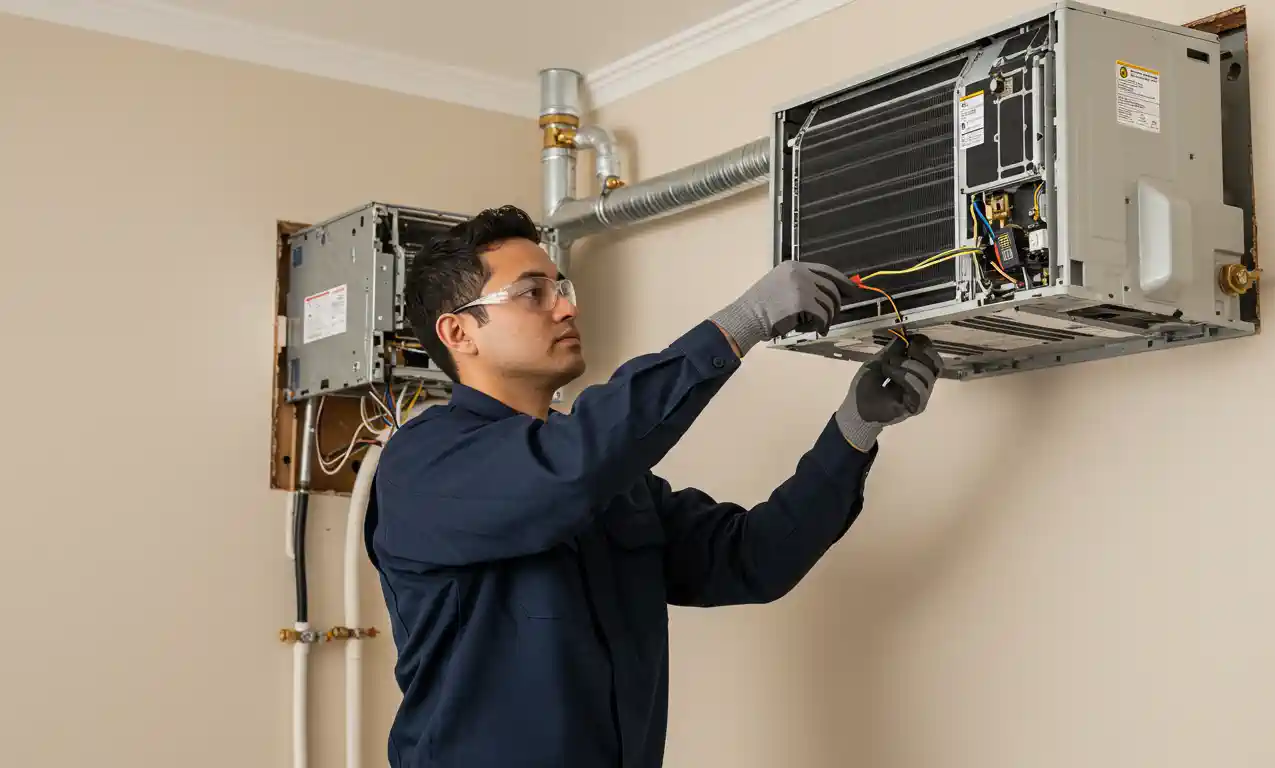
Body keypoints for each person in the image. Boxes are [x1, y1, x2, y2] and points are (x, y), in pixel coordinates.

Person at [365, 204, 944, 767]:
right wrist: (740, 324)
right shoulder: (423, 465)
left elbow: (754, 558)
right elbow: (568, 472)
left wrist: (854, 428)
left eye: (561, 288)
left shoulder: (611, 481)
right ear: (459, 332)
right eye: (532, 293)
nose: (565, 307)